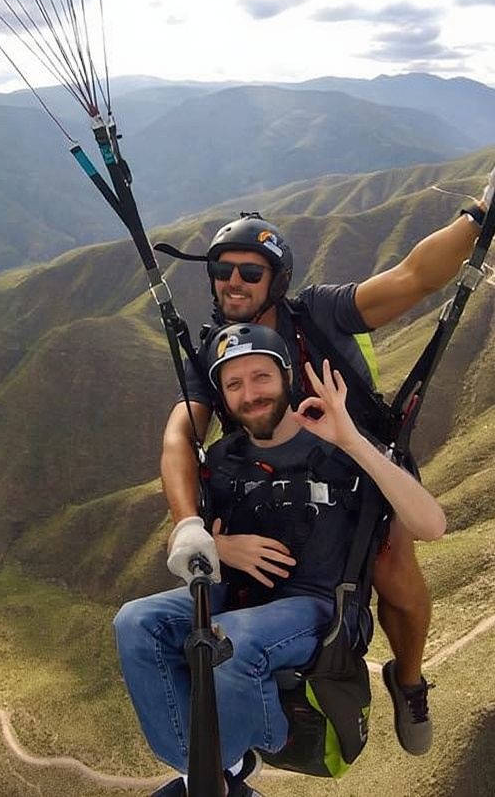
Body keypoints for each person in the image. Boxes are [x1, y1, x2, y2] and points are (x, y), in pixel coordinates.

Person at [159, 141, 495, 754]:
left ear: (276, 281)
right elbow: (182, 433)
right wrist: (192, 527)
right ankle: (255, 709)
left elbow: (412, 279)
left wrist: (482, 210)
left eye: (249, 272)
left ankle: (408, 678)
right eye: (222, 271)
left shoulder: (318, 313)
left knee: (392, 566)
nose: (233, 282)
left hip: (359, 462)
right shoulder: (217, 352)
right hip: (273, 478)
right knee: (250, 574)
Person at [116, 324, 445, 796]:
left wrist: (351, 439)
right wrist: (220, 548)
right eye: (234, 384)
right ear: (223, 399)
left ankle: (234, 760)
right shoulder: (224, 461)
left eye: (260, 377)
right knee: (135, 622)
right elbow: (191, 543)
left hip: (319, 608)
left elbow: (432, 525)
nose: (250, 394)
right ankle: (207, 773)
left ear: (287, 378)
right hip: (243, 598)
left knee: (232, 642)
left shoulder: (340, 449)